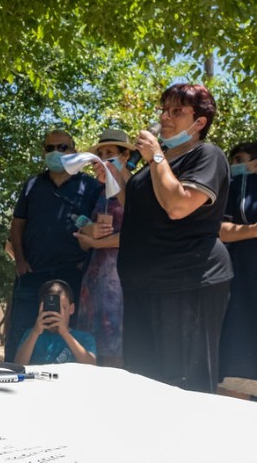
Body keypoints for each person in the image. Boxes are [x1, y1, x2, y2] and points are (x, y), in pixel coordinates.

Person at [116, 83, 231, 393]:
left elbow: (178, 206)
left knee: (181, 388)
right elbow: (140, 208)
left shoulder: (207, 155)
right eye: (163, 110)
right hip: (143, 284)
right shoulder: (156, 164)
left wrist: (155, 156)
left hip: (187, 281)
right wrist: (118, 176)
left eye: (177, 111)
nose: (166, 117)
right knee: (143, 384)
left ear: (200, 122)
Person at [5, 130, 102, 362]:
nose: (56, 152)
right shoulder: (32, 185)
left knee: (68, 336)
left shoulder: (91, 187)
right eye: (50, 148)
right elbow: (17, 226)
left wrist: (84, 264)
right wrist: (19, 260)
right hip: (32, 273)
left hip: (73, 275)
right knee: (22, 331)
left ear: (74, 150)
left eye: (63, 147)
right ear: (43, 151)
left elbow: (99, 228)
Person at [73, 129, 135, 368]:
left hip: (122, 278)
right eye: (100, 154)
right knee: (92, 348)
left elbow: (137, 232)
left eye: (109, 153)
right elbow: (81, 229)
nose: (103, 158)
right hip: (95, 277)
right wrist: (89, 233)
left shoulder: (136, 186)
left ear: (125, 155)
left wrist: (97, 242)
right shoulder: (98, 193)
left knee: (117, 348)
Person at [218, 142, 257, 399]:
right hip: (243, 293)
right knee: (237, 381)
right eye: (233, 159)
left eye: (241, 159)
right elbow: (219, 230)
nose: (236, 165)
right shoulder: (236, 187)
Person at [14, 280, 97, 366]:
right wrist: (35, 333)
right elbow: (18, 365)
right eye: (53, 308)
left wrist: (65, 333)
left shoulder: (84, 338)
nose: (57, 313)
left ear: (71, 308)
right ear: (41, 308)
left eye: (63, 308)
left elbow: (91, 366)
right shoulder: (31, 334)